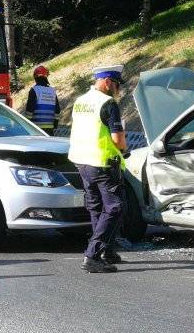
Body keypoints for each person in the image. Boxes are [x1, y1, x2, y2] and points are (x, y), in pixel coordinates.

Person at [68, 64, 128, 273]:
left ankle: (106, 251)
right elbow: (117, 138)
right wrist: (124, 150)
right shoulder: (108, 103)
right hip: (102, 163)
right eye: (117, 85)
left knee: (96, 207)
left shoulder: (80, 101)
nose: (118, 90)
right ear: (107, 82)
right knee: (115, 207)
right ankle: (92, 255)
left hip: (82, 162)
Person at [25, 65, 61, 135]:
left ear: (35, 77)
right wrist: (55, 125)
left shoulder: (34, 90)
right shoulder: (52, 91)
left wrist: (27, 125)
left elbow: (30, 110)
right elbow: (57, 110)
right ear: (46, 77)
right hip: (50, 129)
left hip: (36, 129)